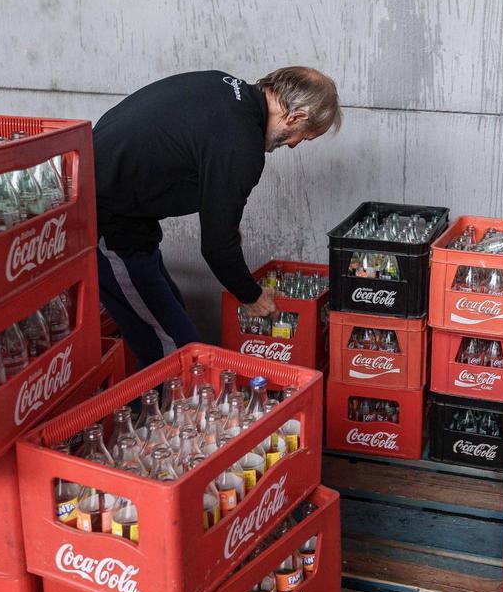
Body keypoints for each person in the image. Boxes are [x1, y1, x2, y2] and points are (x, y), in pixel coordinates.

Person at [93, 67, 342, 367]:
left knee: (169, 313)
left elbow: (198, 163)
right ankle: (154, 411)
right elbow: (216, 247)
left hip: (126, 208)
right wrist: (252, 296)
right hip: (106, 221)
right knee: (178, 353)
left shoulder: (224, 87)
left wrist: (223, 222)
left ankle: (145, 403)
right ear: (296, 117)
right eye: (303, 137)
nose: (292, 144)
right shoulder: (242, 145)